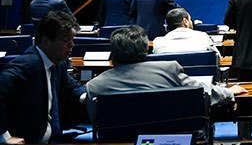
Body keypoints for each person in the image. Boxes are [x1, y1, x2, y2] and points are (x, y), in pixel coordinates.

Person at [86, 26, 244, 120]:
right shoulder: (169, 70)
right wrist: (227, 92)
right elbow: (201, 92)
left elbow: (96, 121)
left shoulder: (94, 86)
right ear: (144, 50)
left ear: (112, 54)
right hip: (172, 142)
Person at [0, 11, 87, 144]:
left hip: (50, 143)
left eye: (72, 39)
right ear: (46, 41)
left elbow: (69, 84)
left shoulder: (58, 62)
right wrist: (4, 136)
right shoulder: (26, 66)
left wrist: (84, 96)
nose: (71, 45)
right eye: (65, 40)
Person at [152, 8, 221, 59]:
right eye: (190, 19)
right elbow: (217, 58)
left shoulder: (158, 42)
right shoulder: (203, 37)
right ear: (185, 21)